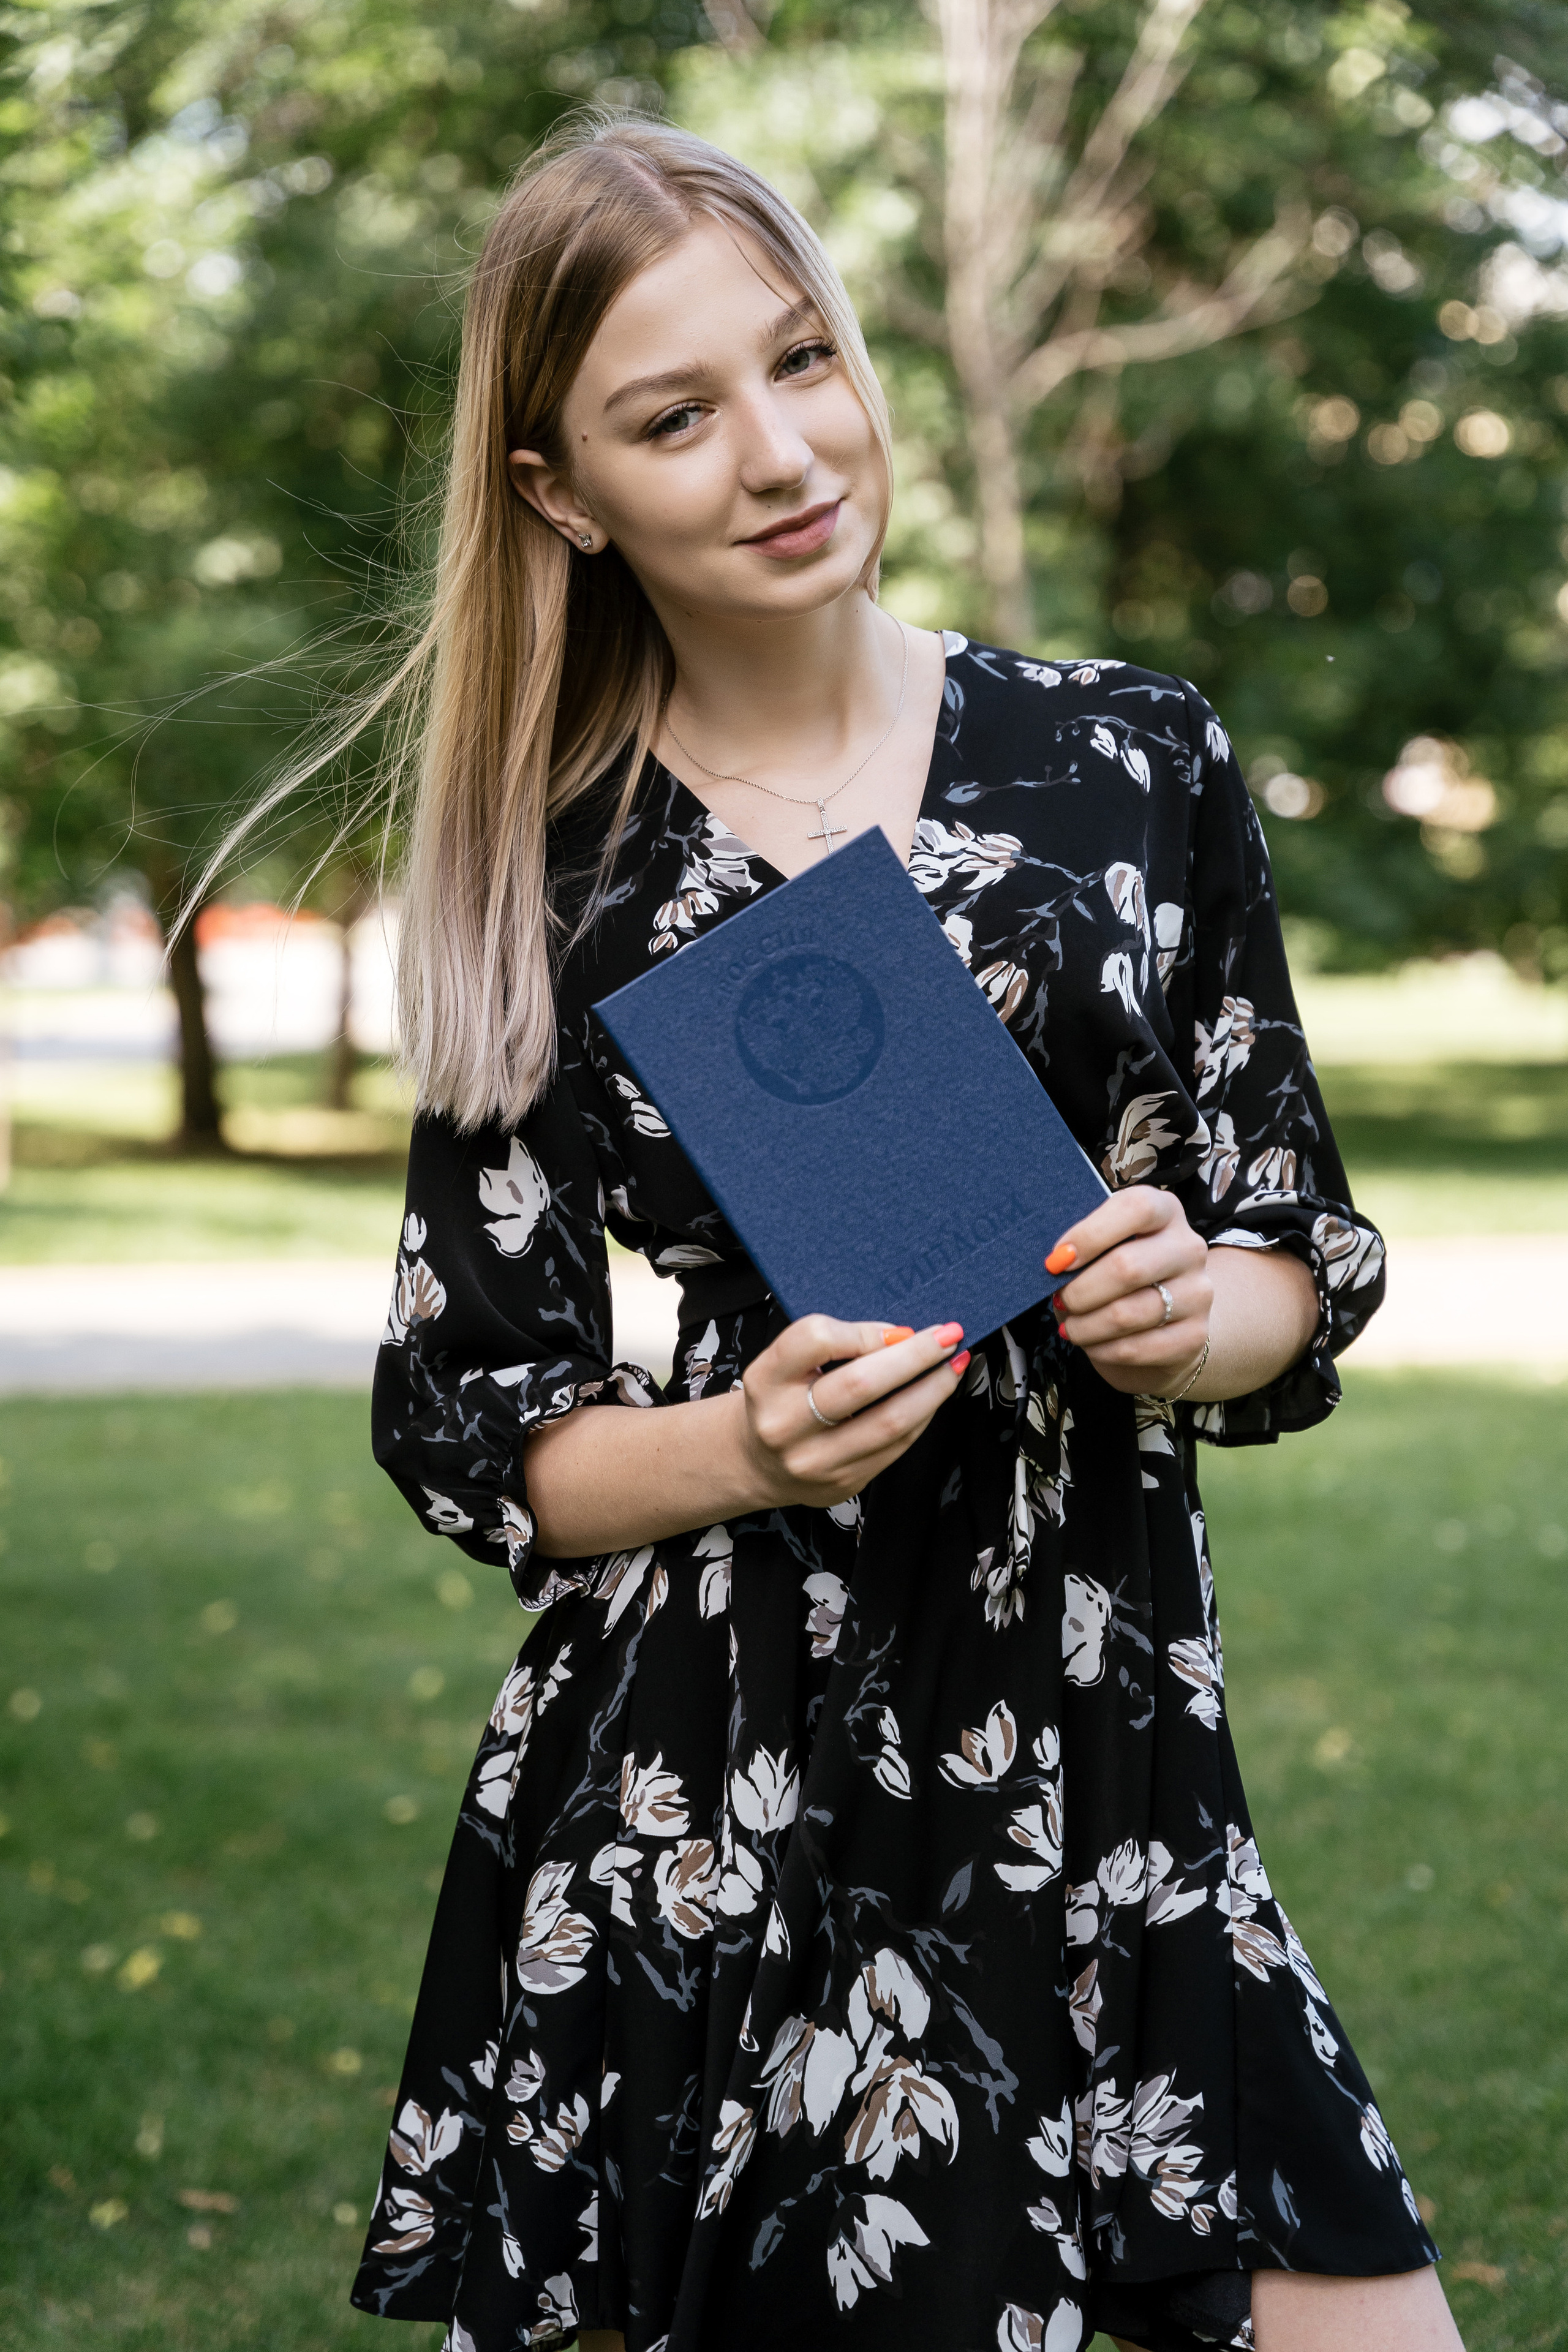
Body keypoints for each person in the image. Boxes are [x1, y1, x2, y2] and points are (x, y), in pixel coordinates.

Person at [346, 116, 1463, 2352]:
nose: (780, 453)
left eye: (801, 363)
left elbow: (1294, 1247)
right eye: (676, 416)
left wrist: (1193, 1311)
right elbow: (483, 1423)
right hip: (720, 1769)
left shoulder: (1127, 755)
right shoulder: (540, 870)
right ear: (561, 488)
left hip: (1104, 1735)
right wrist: (745, 1448)